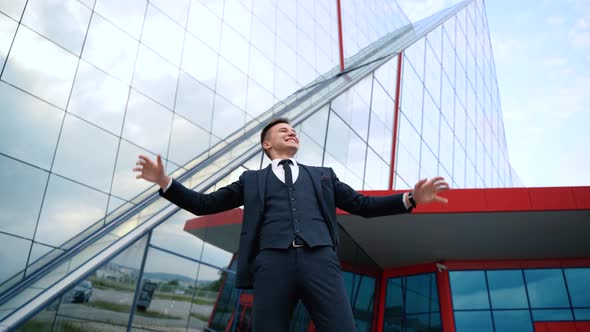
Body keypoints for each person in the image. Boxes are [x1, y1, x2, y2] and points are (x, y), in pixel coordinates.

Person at [134, 118, 449, 331]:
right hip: (272, 264)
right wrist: (164, 181)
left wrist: (410, 198)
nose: (291, 132)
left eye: (293, 129)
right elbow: (205, 205)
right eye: (282, 130)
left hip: (321, 261)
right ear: (267, 145)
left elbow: (362, 205)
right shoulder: (251, 180)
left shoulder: (322, 175)